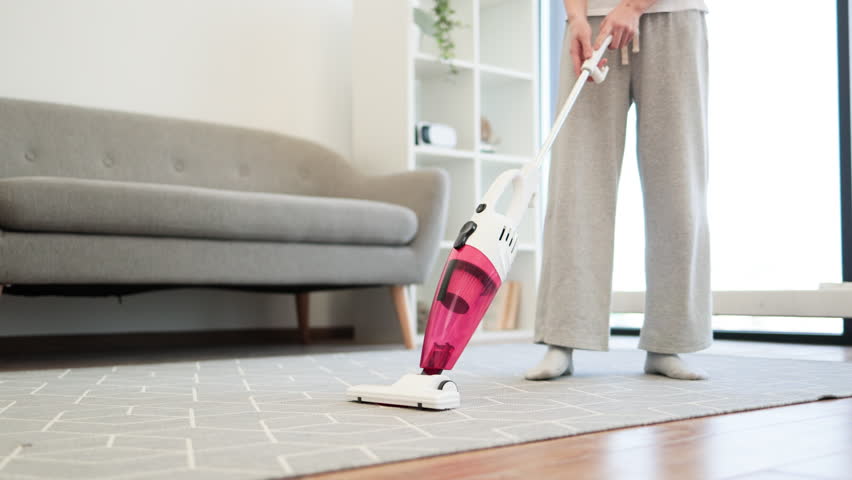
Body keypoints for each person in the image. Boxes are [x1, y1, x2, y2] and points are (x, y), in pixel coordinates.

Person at [526, 0, 712, 381]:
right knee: (576, 180)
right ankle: (563, 337)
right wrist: (576, 17)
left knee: (677, 182)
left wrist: (633, 6)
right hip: (591, 24)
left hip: (672, 17)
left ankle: (669, 340)